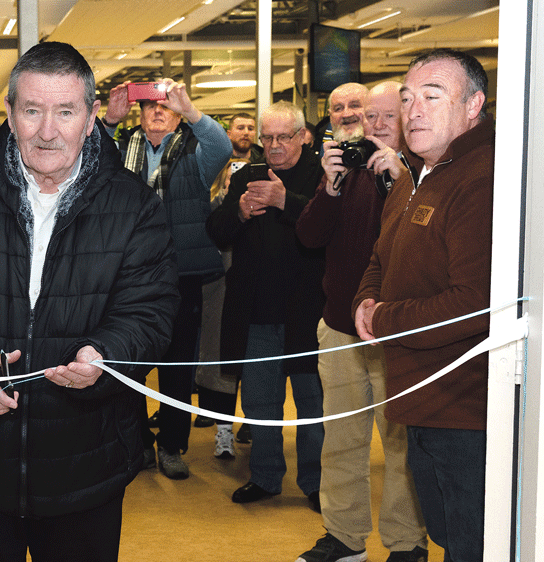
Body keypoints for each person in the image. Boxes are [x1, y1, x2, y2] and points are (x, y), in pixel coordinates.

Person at [0, 42, 178, 562]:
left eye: (65, 112)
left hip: (87, 467)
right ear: (10, 114)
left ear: (91, 118)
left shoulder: (134, 205)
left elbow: (150, 311)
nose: (48, 131)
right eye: (32, 110)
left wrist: (106, 355)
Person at [353, 49, 494, 562]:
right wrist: (366, 299)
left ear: (473, 105)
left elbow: (474, 302)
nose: (413, 111)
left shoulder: (482, 177)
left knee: (471, 544)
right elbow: (381, 255)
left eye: (432, 97)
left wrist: (383, 318)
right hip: (419, 396)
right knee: (446, 535)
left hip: (466, 408)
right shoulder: (418, 173)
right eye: (408, 98)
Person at [294, 82, 428, 562]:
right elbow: (309, 236)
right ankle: (344, 537)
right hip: (339, 326)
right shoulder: (349, 170)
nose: (376, 125)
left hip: (398, 331)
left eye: (388, 115)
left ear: (406, 119)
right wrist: (329, 186)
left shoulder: (424, 171)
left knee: (401, 446)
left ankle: (407, 543)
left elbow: (418, 246)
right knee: (341, 440)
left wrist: (402, 180)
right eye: (370, 116)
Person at [101, 77, 231, 479]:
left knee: (178, 368)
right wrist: (109, 120)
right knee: (131, 364)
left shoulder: (195, 151)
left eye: (166, 107)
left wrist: (189, 108)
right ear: (139, 114)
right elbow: (88, 156)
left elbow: (223, 147)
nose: (158, 112)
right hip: (130, 276)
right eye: (150, 106)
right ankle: (138, 443)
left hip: (182, 275)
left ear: (177, 115)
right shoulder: (122, 150)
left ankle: (172, 446)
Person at [208, 101, 325, 511]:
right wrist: (239, 212)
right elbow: (217, 230)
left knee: (312, 404)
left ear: (302, 136)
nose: (274, 146)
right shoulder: (249, 175)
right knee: (260, 403)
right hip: (256, 312)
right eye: (267, 137)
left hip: (309, 313)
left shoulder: (323, 175)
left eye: (283, 137)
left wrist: (284, 200)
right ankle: (265, 476)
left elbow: (328, 229)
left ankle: (315, 483)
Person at [195, 112, 264, 452]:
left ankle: (252, 422)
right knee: (221, 358)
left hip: (254, 280)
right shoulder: (214, 172)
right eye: (240, 127)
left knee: (253, 358)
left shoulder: (264, 172)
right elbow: (209, 224)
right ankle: (222, 429)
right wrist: (226, 199)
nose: (246, 132)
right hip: (219, 280)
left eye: (251, 127)